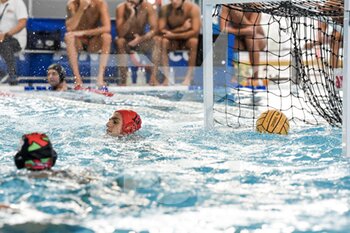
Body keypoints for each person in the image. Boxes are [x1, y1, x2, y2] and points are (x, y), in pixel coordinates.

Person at [65, 0, 111, 88]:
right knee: (68, 37)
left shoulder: (100, 3)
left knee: (106, 37)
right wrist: (81, 8)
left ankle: (100, 77)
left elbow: (107, 28)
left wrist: (83, 33)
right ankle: (77, 79)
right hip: (79, 42)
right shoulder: (72, 4)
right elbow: (70, 27)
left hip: (93, 41)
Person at [115, 0, 160, 86]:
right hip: (126, 42)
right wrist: (131, 15)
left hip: (141, 41)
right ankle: (123, 80)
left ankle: (154, 77)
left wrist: (140, 39)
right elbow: (120, 33)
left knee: (157, 40)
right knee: (120, 41)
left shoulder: (148, 7)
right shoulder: (121, 8)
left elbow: (154, 29)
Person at [220, 5, 266, 86]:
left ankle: (255, 77)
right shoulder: (227, 5)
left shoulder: (255, 4)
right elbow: (223, 29)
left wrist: (240, 17)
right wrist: (244, 30)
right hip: (239, 37)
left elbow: (252, 29)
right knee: (227, 41)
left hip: (257, 37)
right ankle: (232, 75)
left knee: (251, 39)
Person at [158, 0, 201, 86]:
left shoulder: (193, 9)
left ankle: (188, 77)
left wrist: (172, 34)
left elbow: (195, 32)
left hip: (187, 40)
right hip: (173, 41)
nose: (174, 1)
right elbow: (161, 31)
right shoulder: (165, 9)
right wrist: (182, 28)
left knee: (194, 41)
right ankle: (166, 77)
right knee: (163, 41)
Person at [0, 0, 28, 85]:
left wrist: (6, 34)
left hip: (16, 38)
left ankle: (12, 75)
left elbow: (22, 23)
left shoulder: (18, 2)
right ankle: (2, 74)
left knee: (5, 43)